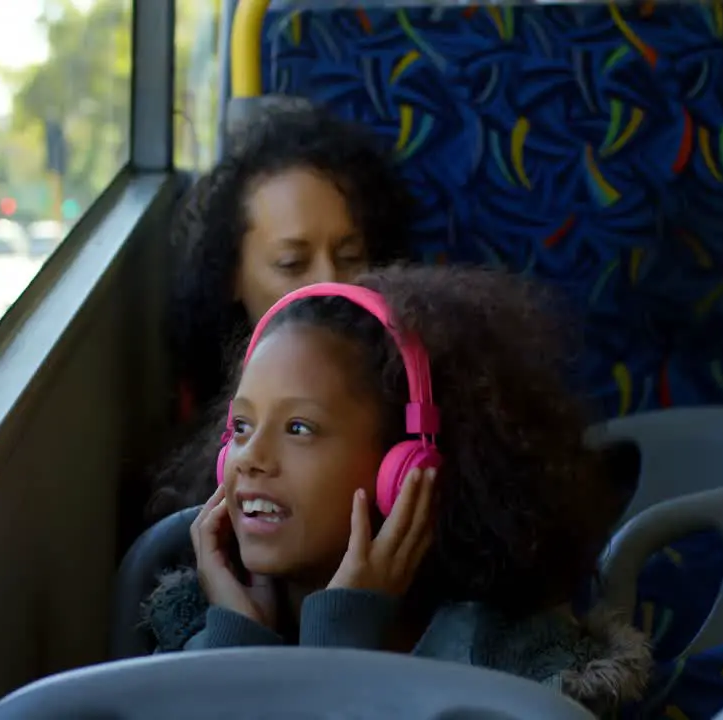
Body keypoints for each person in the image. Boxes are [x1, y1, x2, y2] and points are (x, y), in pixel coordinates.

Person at [141, 266, 651, 716]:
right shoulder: (202, 631)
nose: (250, 457)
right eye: (243, 427)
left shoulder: (508, 664)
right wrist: (232, 651)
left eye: (299, 428)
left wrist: (339, 656)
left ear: (404, 470)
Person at [142, 104, 416, 525]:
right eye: (292, 263)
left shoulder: (418, 401)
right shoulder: (189, 463)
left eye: (350, 256)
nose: (330, 282)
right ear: (230, 275)